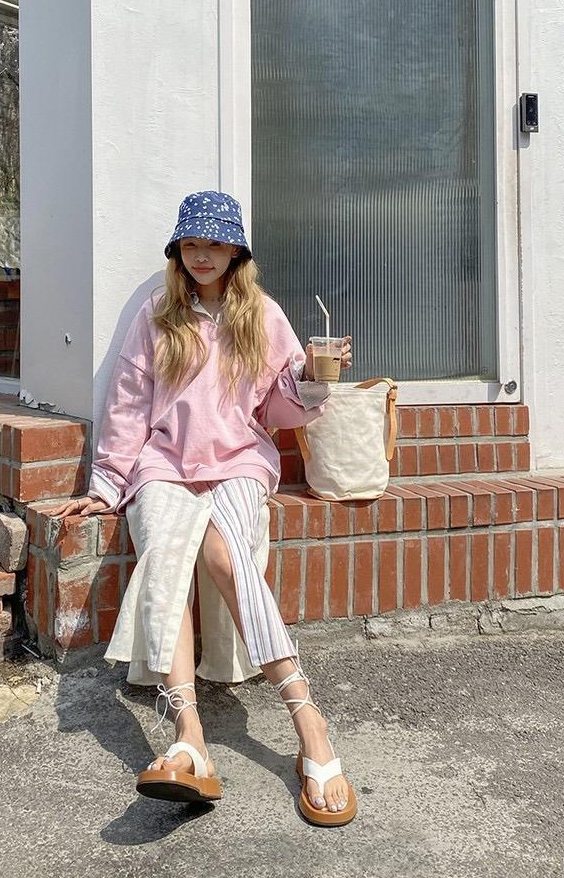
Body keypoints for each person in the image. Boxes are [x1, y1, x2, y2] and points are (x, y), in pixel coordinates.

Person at [50, 191, 356, 826]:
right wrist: (108, 483)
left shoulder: (263, 316)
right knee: (165, 554)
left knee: (225, 552)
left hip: (240, 458)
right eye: (191, 244)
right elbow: (130, 405)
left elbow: (276, 411)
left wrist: (314, 385)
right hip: (163, 462)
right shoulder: (157, 314)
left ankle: (306, 717)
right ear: (179, 251)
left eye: (215, 244)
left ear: (237, 250)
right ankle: (188, 735)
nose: (202, 256)